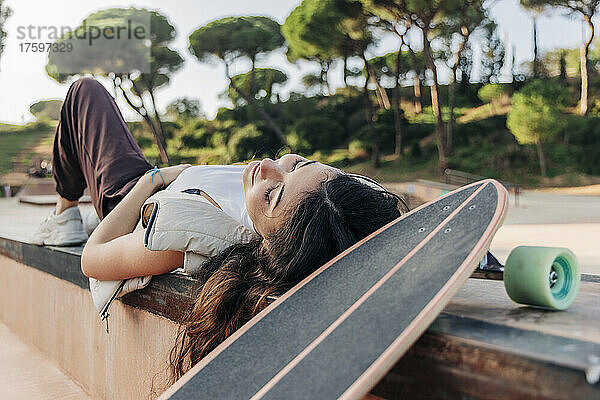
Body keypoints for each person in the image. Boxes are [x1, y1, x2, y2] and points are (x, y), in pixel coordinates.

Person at [31, 77, 408, 383]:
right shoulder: (315, 207)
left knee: (85, 92)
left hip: (130, 195)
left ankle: (65, 210)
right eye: (300, 164)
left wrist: (150, 180)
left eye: (274, 193)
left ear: (271, 243)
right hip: (175, 181)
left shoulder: (183, 239)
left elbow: (93, 258)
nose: (269, 166)